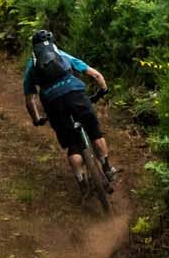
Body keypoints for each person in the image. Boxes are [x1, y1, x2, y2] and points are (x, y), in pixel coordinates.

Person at [22, 28, 116, 187]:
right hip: (75, 94)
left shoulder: (32, 66)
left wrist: (36, 119)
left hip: (52, 102)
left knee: (72, 145)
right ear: (52, 42)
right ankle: (107, 167)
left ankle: (81, 180)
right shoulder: (62, 55)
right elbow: (95, 74)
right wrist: (103, 90)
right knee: (94, 133)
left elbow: (29, 100)